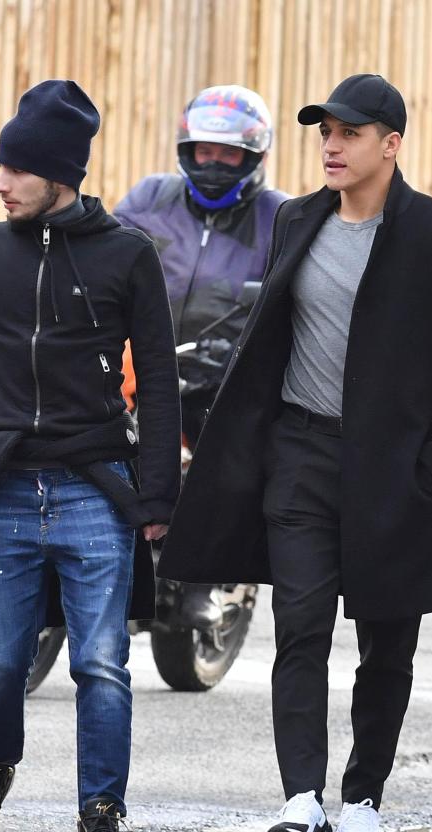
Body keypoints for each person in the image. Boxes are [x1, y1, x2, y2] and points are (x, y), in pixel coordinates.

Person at [157, 74, 432, 832]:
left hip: (393, 471)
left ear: (391, 143)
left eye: (348, 133)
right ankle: (302, 799)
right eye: (323, 134)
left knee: (387, 644)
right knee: (300, 629)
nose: (331, 147)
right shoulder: (299, 220)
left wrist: (431, 469)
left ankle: (364, 800)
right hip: (301, 456)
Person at [0, 80, 180, 832]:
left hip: (94, 489)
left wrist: (157, 496)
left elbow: (160, 381)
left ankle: (101, 814)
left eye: (16, 170)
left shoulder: (128, 255)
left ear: (61, 174)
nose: (0, 183)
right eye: (0, 166)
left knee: (103, 661)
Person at [115, 84, 288, 628]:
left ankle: (206, 581)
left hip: (223, 375)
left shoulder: (280, 217)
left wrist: (249, 346)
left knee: (228, 463)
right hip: (142, 362)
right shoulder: (149, 200)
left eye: (228, 152)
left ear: (252, 155)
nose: (213, 163)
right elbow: (104, 259)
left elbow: (296, 297)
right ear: (187, 149)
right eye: (204, 150)